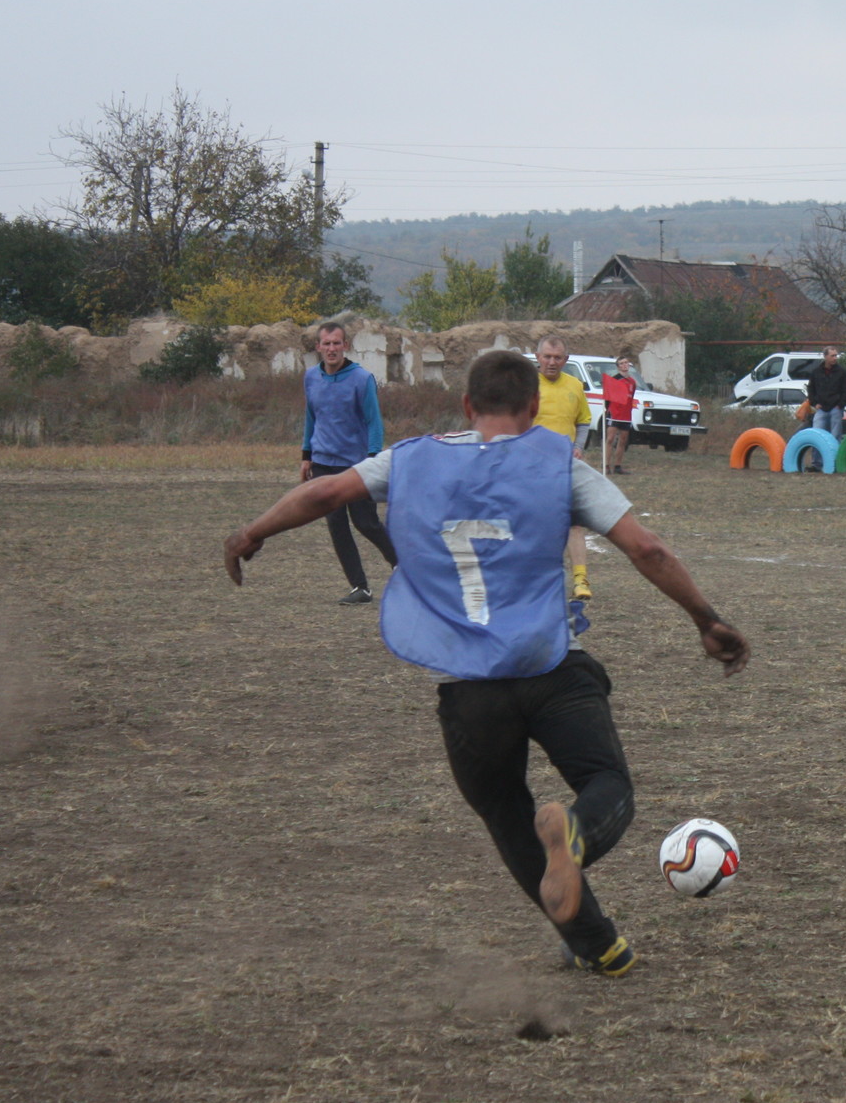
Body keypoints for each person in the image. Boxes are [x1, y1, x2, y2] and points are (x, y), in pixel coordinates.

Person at [223, 350, 749, 976]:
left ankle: (597, 944)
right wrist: (706, 619)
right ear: (535, 406)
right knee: (606, 785)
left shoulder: (409, 458)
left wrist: (252, 532)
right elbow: (648, 549)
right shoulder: (560, 464)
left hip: (468, 687)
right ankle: (576, 836)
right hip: (551, 665)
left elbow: (327, 492)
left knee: (507, 816)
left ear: (468, 405)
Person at [300, 322, 398, 603]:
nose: (331, 349)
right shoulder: (311, 377)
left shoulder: (361, 379)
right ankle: (360, 587)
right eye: (326, 343)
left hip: (355, 465)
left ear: (346, 345)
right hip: (323, 462)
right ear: (318, 347)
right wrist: (306, 456)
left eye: (336, 343)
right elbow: (311, 417)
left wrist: (372, 459)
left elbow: (374, 422)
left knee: (366, 523)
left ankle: (403, 566)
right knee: (336, 525)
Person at [529, 336, 598, 600]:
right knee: (534, 524)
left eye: (557, 358)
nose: (552, 362)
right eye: (547, 356)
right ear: (537, 357)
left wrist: (578, 447)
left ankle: (581, 579)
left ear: (566, 360)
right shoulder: (525, 386)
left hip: (565, 466)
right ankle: (538, 580)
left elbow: (584, 420)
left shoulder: (575, 385)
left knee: (573, 523)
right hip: (531, 467)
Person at [601, 354, 639, 476]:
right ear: (618, 367)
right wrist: (608, 409)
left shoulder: (632, 382)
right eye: (622, 363)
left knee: (622, 440)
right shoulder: (614, 380)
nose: (624, 365)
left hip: (626, 415)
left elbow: (631, 397)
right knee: (610, 439)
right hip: (614, 413)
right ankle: (606, 465)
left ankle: (618, 466)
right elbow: (607, 397)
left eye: (626, 363)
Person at [805, 347, 846, 440]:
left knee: (835, 435)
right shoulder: (816, 372)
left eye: (836, 355)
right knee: (817, 434)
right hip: (821, 408)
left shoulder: (842, 372)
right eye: (832, 356)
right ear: (825, 356)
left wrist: (840, 405)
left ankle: (835, 450)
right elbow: (811, 388)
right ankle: (818, 450)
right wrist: (814, 403)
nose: (835, 358)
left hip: (836, 408)